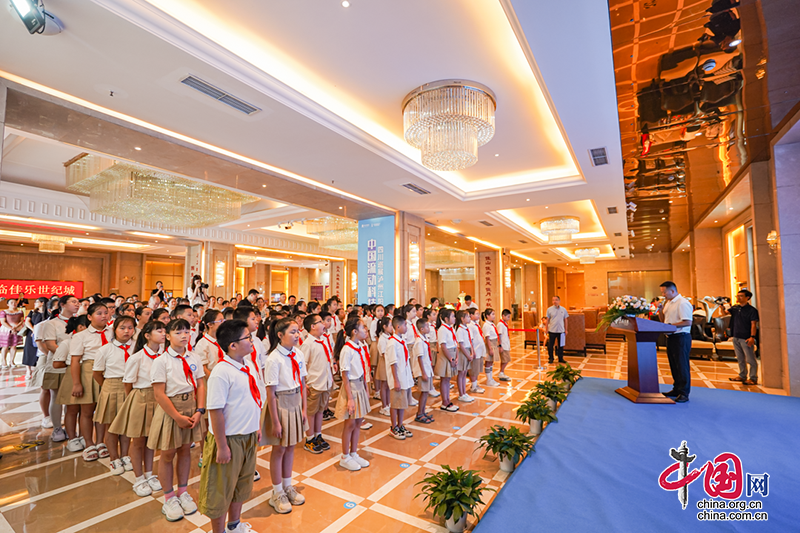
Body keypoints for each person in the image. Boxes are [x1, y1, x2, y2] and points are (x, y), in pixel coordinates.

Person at [198, 319, 265, 533]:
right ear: (232, 345)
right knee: (220, 489)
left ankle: (235, 525)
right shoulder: (221, 372)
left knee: (241, 484)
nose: (251, 340)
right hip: (228, 439)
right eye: (247, 337)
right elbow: (215, 410)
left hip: (247, 435)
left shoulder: (248, 366)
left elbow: (252, 400)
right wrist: (222, 445)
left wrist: (256, 427)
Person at [148, 319, 207, 522]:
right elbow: (159, 394)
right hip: (171, 409)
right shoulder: (161, 361)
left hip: (191, 406)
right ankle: (169, 497)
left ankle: (182, 491)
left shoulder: (194, 357)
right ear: (168, 335)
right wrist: (177, 417)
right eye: (178, 332)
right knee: (167, 453)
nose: (184, 335)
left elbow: (200, 384)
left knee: (185, 451)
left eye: (186, 331)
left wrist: (199, 410)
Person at [110, 320, 166, 497]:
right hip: (140, 397)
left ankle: (149, 474)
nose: (164, 333)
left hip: (159, 398)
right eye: (159, 330)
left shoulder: (164, 356)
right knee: (138, 440)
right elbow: (128, 383)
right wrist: (135, 401)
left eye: (165, 330)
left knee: (151, 440)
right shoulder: (137, 357)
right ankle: (139, 478)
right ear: (147, 336)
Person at [261, 318, 307, 514]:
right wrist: (276, 421)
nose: (297, 335)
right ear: (280, 335)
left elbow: (303, 383)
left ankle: (288, 486)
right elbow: (270, 392)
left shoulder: (298, 353)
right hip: (280, 403)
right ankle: (277, 491)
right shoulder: (273, 358)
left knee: (290, 447)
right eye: (292, 332)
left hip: (295, 401)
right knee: (279, 449)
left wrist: (304, 409)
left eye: (298, 331)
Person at [61, 302, 110, 461]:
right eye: (99, 313)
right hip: (88, 372)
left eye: (105, 313)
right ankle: (89, 443)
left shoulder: (112, 333)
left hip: (108, 372)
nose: (104, 316)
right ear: (89, 317)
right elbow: (75, 361)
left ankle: (100, 442)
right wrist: (77, 383)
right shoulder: (80, 336)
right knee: (87, 411)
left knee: (103, 411)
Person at [92, 316, 136, 475]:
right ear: (115, 330)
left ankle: (125, 455)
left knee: (125, 425)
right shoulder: (105, 349)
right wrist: (108, 387)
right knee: (111, 426)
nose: (126, 331)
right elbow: (97, 373)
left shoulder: (137, 348)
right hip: (111, 385)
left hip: (131, 386)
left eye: (130, 328)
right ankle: (114, 458)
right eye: (122, 328)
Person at [40, 295, 81, 441]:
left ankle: (70, 428)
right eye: (73, 302)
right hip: (58, 365)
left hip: (75, 365)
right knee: (56, 397)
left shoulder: (80, 321)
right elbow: (50, 345)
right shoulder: (52, 323)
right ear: (62, 305)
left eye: (78, 302)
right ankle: (57, 428)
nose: (77, 304)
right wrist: (68, 356)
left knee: (72, 399)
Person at [333, 318, 371, 471]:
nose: (366, 330)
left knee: (358, 422)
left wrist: (366, 388)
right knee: (349, 423)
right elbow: (345, 375)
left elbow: (363, 369)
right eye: (363, 328)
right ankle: (345, 456)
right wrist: (350, 398)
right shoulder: (347, 350)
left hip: (360, 384)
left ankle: (354, 452)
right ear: (354, 331)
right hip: (351, 387)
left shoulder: (360, 346)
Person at [302, 314, 334, 455]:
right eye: (320, 322)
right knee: (311, 412)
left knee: (320, 410)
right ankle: (309, 439)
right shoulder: (307, 344)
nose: (323, 324)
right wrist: (305, 384)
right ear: (312, 326)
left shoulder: (324, 341)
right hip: (314, 384)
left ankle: (318, 434)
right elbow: (303, 365)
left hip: (325, 383)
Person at [658, 281, 693, 403]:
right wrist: (660, 311)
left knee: (682, 365)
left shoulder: (682, 303)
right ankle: (677, 388)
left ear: (672, 291)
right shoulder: (668, 303)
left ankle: (684, 392)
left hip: (681, 337)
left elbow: (687, 322)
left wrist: (670, 326)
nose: (663, 295)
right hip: (671, 337)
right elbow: (664, 321)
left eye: (664, 292)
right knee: (674, 365)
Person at [386, 315, 414, 440]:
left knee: (402, 403)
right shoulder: (392, 343)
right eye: (404, 325)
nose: (406, 327)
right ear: (398, 327)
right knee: (395, 403)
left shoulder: (401, 341)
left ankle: (400, 424)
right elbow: (393, 363)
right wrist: (396, 380)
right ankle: (393, 427)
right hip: (398, 378)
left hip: (404, 376)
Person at [724, 289, 760, 386]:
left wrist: (752, 337)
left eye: (741, 296)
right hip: (736, 336)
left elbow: (753, 324)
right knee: (740, 358)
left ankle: (753, 378)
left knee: (750, 359)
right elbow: (725, 313)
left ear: (747, 298)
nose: (738, 298)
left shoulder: (752, 310)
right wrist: (723, 306)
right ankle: (742, 375)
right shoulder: (736, 308)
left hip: (746, 337)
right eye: (737, 296)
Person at [435, 308, 459, 412]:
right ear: (446, 318)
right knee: (444, 380)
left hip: (452, 354)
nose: (454, 318)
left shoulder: (451, 328)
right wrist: (451, 358)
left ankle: (447, 400)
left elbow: (455, 342)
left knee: (448, 379)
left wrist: (457, 356)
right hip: (447, 356)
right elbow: (443, 346)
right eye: (452, 316)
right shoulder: (442, 329)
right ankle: (444, 402)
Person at [412, 319, 434, 424]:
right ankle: (419, 413)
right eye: (427, 326)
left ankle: (423, 412)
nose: (428, 328)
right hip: (422, 371)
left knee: (426, 392)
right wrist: (424, 373)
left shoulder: (424, 339)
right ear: (421, 329)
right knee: (424, 392)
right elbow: (420, 358)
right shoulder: (419, 342)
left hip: (427, 369)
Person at [23, 297, 49, 378]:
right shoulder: (33, 312)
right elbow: (27, 321)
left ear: (42, 303)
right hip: (31, 334)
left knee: (40, 352)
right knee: (29, 351)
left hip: (43, 335)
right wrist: (33, 329)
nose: (35, 303)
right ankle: (28, 370)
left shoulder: (48, 313)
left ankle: (38, 370)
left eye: (36, 302)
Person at [454, 310, 474, 403]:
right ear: (462, 319)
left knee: (465, 373)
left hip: (468, 351)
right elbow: (461, 345)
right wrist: (468, 355)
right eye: (468, 317)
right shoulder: (460, 330)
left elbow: (470, 341)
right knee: (461, 373)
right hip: (463, 352)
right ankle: (461, 394)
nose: (469, 318)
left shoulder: (466, 328)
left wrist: (472, 353)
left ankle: (464, 393)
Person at [0, 298, 25, 368]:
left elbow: (21, 321)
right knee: (5, 346)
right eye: (11, 302)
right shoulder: (4, 312)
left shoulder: (20, 312)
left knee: (14, 346)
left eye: (15, 302)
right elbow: (3, 322)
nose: (13, 304)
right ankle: (4, 362)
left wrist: (16, 327)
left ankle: (12, 361)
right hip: (6, 330)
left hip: (16, 330)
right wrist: (11, 328)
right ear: (7, 304)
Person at [375, 316, 393, 417]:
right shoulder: (382, 339)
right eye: (390, 325)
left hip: (389, 362)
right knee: (384, 385)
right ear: (384, 326)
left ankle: (388, 403)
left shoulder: (389, 337)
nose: (392, 328)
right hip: (384, 362)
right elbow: (383, 353)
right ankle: (384, 406)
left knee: (388, 385)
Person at [544, 296, 569, 364]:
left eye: (556, 300)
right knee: (550, 345)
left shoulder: (563, 309)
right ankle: (551, 358)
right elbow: (547, 320)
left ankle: (560, 358)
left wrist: (566, 329)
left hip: (561, 330)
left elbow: (565, 320)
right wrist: (546, 329)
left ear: (559, 301)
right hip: (552, 330)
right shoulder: (549, 309)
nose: (555, 301)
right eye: (553, 300)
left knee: (561, 345)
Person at [467, 308, 486, 395]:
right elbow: (470, 339)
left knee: (477, 369)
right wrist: (472, 351)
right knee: (474, 369)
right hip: (475, 350)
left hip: (480, 350)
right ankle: (473, 386)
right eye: (476, 314)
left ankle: (475, 384)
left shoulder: (476, 324)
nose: (478, 315)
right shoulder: (470, 326)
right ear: (471, 315)